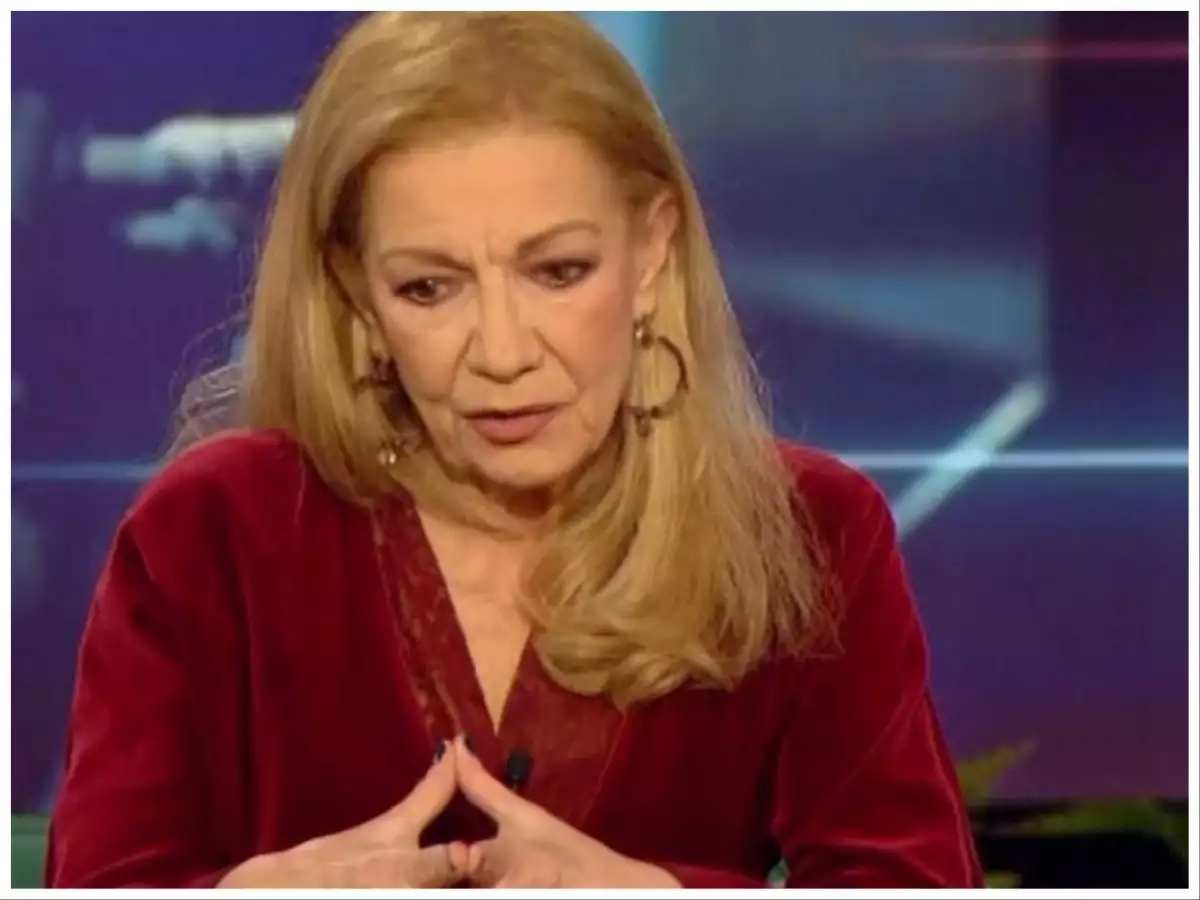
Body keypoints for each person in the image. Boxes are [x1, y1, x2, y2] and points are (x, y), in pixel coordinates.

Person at [47, 11, 984, 889]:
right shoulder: (209, 536)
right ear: (357, 291)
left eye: (558, 271)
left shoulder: (810, 535)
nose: (501, 352)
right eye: (429, 288)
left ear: (651, 250)